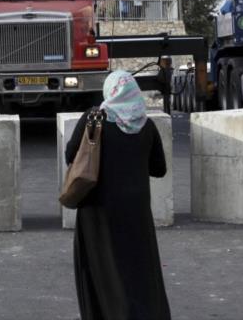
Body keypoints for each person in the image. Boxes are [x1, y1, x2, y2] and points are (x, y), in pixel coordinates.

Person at [65, 70, 171, 320]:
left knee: (102, 268)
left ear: (109, 92)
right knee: (139, 268)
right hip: (136, 212)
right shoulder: (147, 126)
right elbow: (159, 169)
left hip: (97, 211)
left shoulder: (94, 119)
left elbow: (71, 155)